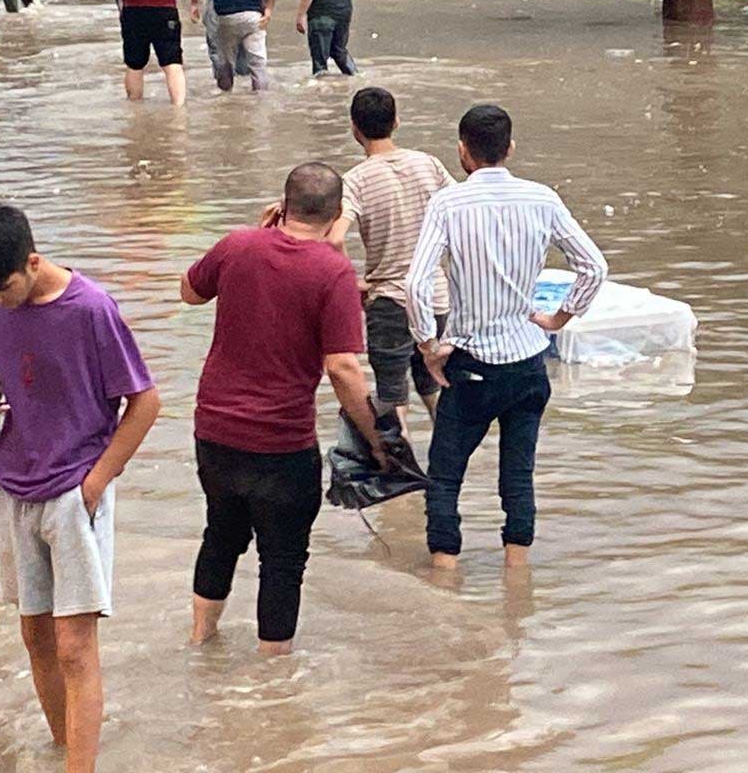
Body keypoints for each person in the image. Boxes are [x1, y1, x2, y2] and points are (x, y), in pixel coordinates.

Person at [0, 204, 160, 773]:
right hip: (14, 482)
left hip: (75, 489)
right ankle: (66, 752)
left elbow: (144, 403)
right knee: (36, 637)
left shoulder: (91, 309)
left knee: (74, 647)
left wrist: (96, 483)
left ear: (33, 261)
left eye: (2, 290)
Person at [180, 163, 388, 654]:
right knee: (282, 560)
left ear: (282, 204)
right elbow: (343, 369)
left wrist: (257, 232)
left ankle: (199, 642)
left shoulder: (238, 244)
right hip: (281, 442)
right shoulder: (333, 272)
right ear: (337, 215)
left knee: (221, 536)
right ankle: (273, 680)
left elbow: (188, 292)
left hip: (215, 428)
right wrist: (377, 439)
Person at [405, 104, 608, 572]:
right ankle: (517, 575)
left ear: (462, 151)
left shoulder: (448, 203)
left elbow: (416, 283)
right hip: (528, 361)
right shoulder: (542, 199)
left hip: (472, 362)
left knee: (445, 475)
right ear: (510, 148)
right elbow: (594, 266)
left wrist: (427, 346)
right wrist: (560, 317)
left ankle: (445, 576)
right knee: (518, 474)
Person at [324, 87, 455, 431]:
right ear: (397, 121)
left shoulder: (355, 180)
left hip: (390, 301)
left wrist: (352, 282)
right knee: (433, 385)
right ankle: (449, 467)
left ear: (355, 128)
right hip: (435, 296)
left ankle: (404, 472)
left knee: (393, 397)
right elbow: (460, 213)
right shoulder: (429, 164)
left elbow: (335, 237)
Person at [96, 0, 187, 105]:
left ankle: (135, 109)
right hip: (165, 9)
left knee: (134, 65)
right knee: (172, 63)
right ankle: (178, 110)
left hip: (134, 9)